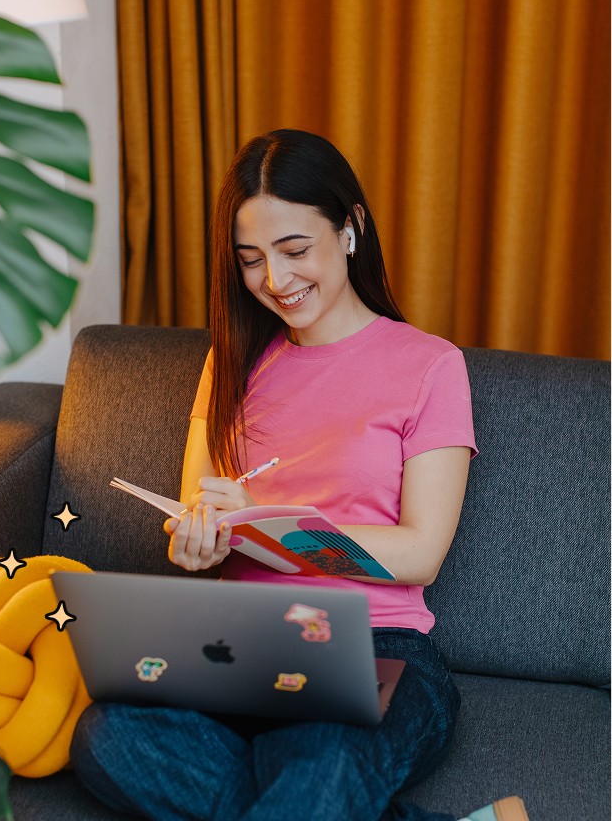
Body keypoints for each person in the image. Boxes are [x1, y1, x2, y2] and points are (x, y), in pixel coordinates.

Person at [70, 129, 528, 821]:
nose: (274, 282)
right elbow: (197, 516)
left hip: (378, 646)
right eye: (251, 261)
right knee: (109, 738)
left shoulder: (429, 367)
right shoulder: (228, 367)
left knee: (320, 758)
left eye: (293, 251)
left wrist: (274, 526)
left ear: (349, 229)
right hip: (238, 646)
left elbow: (419, 551)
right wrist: (197, 541)